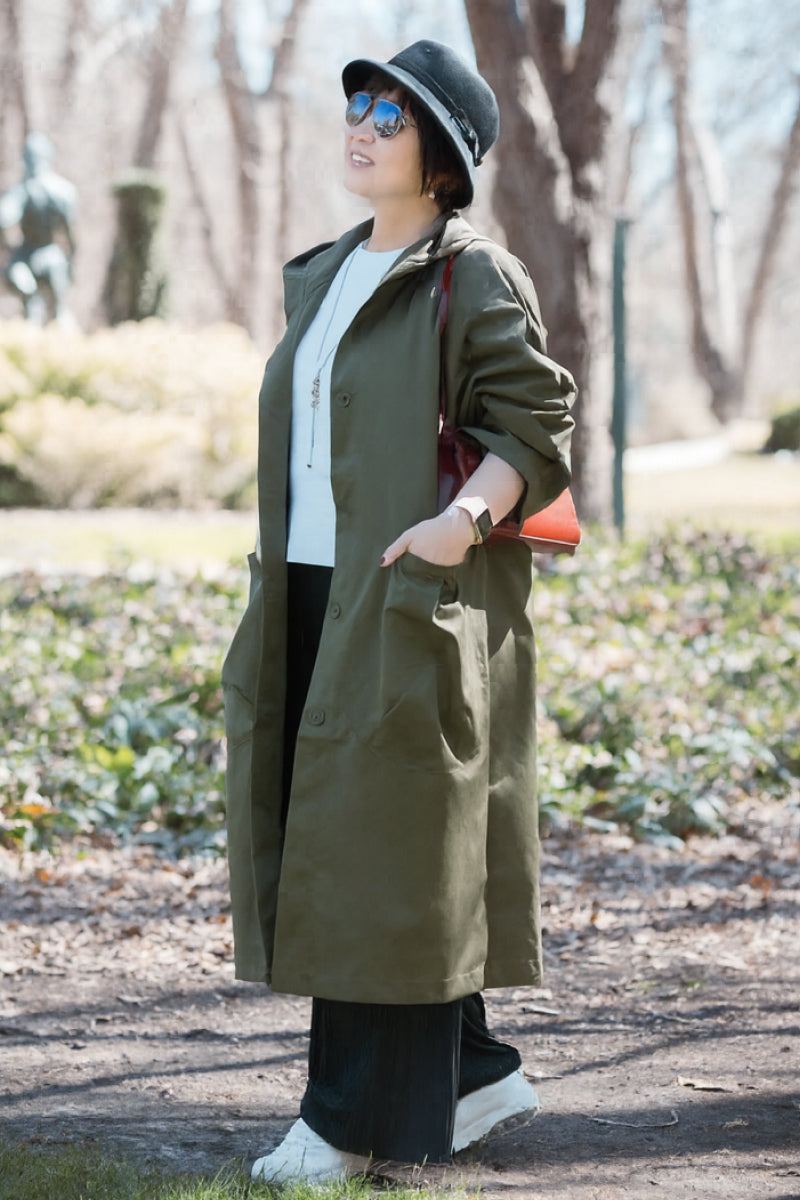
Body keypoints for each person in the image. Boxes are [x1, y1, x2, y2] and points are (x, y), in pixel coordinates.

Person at [219, 37, 578, 1187]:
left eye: (392, 111)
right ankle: (470, 1073)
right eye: (358, 103)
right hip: (313, 589)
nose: (361, 122)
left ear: (443, 158)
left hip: (415, 586)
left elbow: (534, 426)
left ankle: (345, 1125)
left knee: (376, 852)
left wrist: (455, 527)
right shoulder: (324, 274)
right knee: (377, 845)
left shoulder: (470, 275)